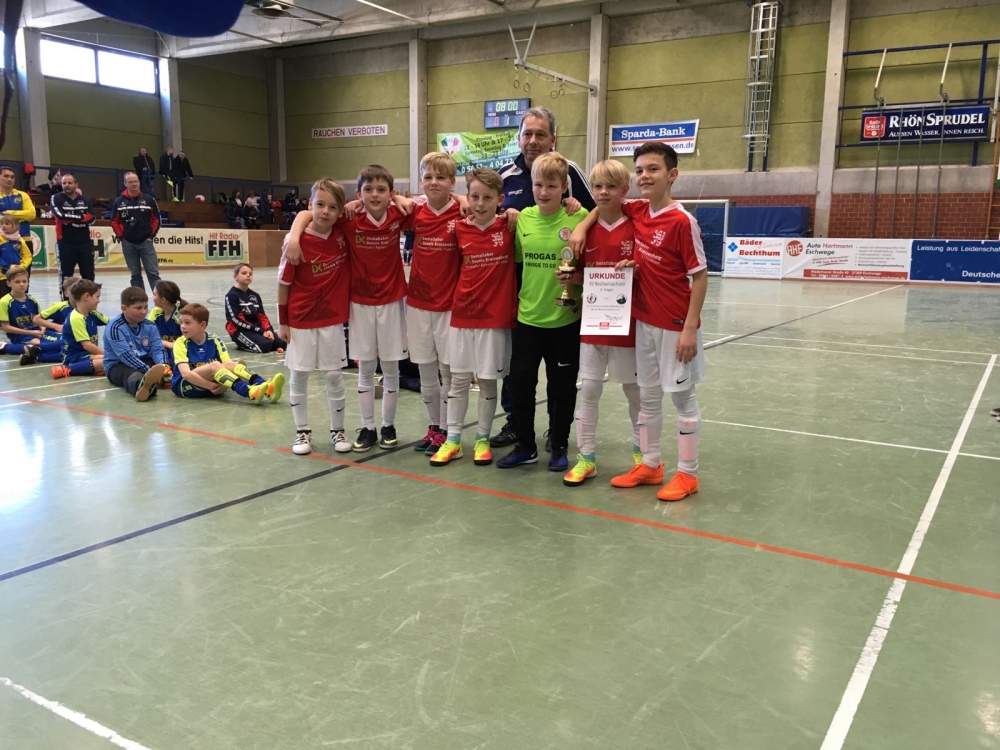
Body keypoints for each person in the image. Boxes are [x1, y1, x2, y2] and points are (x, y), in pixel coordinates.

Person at [569, 142, 708, 502]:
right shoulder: (638, 209)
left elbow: (700, 276)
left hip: (675, 324)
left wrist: (689, 328)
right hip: (643, 321)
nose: (645, 176)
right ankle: (650, 464)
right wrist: (581, 227)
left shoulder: (683, 221)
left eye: (653, 169)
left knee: (682, 399)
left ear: (672, 175)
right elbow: (602, 206)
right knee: (648, 397)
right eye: (641, 170)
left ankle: (688, 474)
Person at [491, 106, 596, 450]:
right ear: (518, 138)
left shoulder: (570, 170)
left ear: (553, 139)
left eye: (541, 134)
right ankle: (515, 425)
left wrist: (580, 221)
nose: (533, 140)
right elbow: (480, 206)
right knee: (518, 373)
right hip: (520, 296)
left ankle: (556, 431)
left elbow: (598, 209)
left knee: (559, 376)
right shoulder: (505, 175)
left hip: (561, 297)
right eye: (527, 134)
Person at [286, 166, 412, 452]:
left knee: (390, 368)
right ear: (358, 194)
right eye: (368, 190)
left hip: (392, 301)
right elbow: (308, 213)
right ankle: (368, 427)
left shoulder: (398, 214)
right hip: (359, 304)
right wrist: (293, 238)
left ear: (391, 193)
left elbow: (433, 202)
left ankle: (388, 425)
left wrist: (401, 199)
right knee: (365, 368)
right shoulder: (349, 217)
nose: (375, 195)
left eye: (381, 190)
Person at [428, 167, 516, 468]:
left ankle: (482, 439)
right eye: (474, 197)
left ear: (500, 200)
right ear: (467, 196)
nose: (480, 204)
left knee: (488, 382)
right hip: (462, 315)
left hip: (495, 319)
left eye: (487, 198)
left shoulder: (510, 226)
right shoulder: (459, 229)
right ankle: (453, 440)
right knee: (458, 380)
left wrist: (513, 212)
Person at [561, 160, 641, 486]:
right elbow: (581, 273)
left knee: (634, 392)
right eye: (597, 186)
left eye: (611, 186)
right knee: (590, 389)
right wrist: (569, 277)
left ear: (625, 190)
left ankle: (641, 457)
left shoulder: (637, 223)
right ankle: (586, 458)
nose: (604, 192)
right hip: (593, 321)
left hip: (628, 322)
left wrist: (636, 268)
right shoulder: (585, 230)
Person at [277, 178, 353, 455]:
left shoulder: (342, 232)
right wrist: (283, 322)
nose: (325, 211)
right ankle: (302, 432)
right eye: (319, 204)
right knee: (299, 375)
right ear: (310, 205)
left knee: (333, 375)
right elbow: (283, 284)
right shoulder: (295, 243)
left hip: (331, 319)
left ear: (340, 211)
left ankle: (338, 430)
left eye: (332, 207)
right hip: (301, 319)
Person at [405, 152, 463, 457]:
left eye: (441, 177)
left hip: (449, 306)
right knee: (426, 371)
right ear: (421, 181)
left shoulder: (463, 212)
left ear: (452, 182)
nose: (434, 182)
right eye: (428, 177)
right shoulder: (414, 211)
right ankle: (435, 428)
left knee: (448, 373)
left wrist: (463, 199)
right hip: (418, 304)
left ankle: (452, 433)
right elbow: (384, 204)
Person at [171, 303, 283, 403]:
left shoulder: (214, 340)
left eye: (187, 323)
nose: (182, 326)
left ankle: (266, 387)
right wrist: (211, 386)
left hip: (212, 385)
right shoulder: (180, 343)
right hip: (185, 385)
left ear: (202, 325)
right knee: (215, 365)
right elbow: (186, 374)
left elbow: (228, 365)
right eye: (181, 322)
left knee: (231, 365)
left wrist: (223, 386)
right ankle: (247, 391)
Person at [104, 286, 169, 402]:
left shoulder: (150, 326)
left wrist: (164, 366)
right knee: (133, 375)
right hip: (119, 365)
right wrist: (148, 370)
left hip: (144, 360)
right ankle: (142, 388)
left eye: (146, 307)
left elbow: (158, 349)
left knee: (174, 363)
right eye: (138, 308)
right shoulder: (115, 328)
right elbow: (125, 356)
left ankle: (163, 379)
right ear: (124, 308)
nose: (144, 312)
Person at [0, 266, 63, 365]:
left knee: (64, 341)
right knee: (44, 346)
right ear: (9, 283)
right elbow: (6, 327)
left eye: (24, 281)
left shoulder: (32, 300)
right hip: (20, 336)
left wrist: (43, 330)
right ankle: (5, 347)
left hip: (37, 332)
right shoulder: (4, 302)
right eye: (17, 282)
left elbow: (39, 320)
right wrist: (31, 332)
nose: (22, 284)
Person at [111, 172, 162, 291]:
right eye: (130, 182)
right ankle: (139, 299)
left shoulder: (149, 200)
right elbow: (114, 221)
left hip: (146, 242)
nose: (134, 184)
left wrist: (151, 236)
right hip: (128, 243)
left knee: (153, 273)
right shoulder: (118, 201)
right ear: (125, 184)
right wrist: (121, 237)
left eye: (136, 181)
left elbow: (156, 219)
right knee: (135, 274)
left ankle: (159, 298)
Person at [50, 173, 96, 291]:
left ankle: (89, 299)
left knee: (89, 275)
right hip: (65, 243)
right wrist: (80, 217)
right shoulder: (56, 198)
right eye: (64, 183)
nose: (66, 185)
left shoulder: (85, 200)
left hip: (85, 243)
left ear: (76, 184)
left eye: (69, 183)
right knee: (66, 275)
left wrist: (72, 221)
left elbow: (92, 219)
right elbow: (60, 216)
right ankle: (65, 300)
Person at [225, 262, 285, 353]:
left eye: (250, 274)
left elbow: (262, 316)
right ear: (235, 277)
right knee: (265, 345)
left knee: (283, 343)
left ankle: (263, 340)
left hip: (257, 329)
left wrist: (268, 330)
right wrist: (260, 331)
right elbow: (237, 320)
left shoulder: (255, 296)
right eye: (244, 273)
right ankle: (242, 345)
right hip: (239, 330)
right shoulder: (231, 296)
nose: (248, 275)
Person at [54, 279, 106, 379]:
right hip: (73, 357)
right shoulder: (76, 318)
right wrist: (109, 354)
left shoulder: (93, 313)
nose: (98, 301)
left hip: (87, 354)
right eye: (97, 297)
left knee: (112, 359)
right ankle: (66, 369)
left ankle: (94, 368)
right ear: (87, 296)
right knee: (108, 359)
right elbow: (87, 346)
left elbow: (110, 323)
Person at [149, 280, 185, 365]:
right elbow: (148, 335)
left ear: (163, 299)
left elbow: (190, 339)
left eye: (154, 294)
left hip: (178, 352)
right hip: (159, 350)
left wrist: (173, 346)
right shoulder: (155, 312)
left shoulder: (181, 315)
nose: (152, 297)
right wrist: (168, 344)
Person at [0, 165, 36, 240]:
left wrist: (9, 213)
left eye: (12, 177)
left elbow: (32, 214)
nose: (9, 179)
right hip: (2, 240)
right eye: (6, 176)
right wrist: (22, 217)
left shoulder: (23, 195)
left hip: (24, 238)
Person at [0, 214, 32, 298]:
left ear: (15, 226)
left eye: (7, 224)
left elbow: (27, 255)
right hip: (2, 276)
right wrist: (9, 266)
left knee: (18, 298)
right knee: (3, 298)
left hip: (17, 275)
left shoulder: (20, 240)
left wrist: (22, 266)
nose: (3, 226)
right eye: (2, 224)